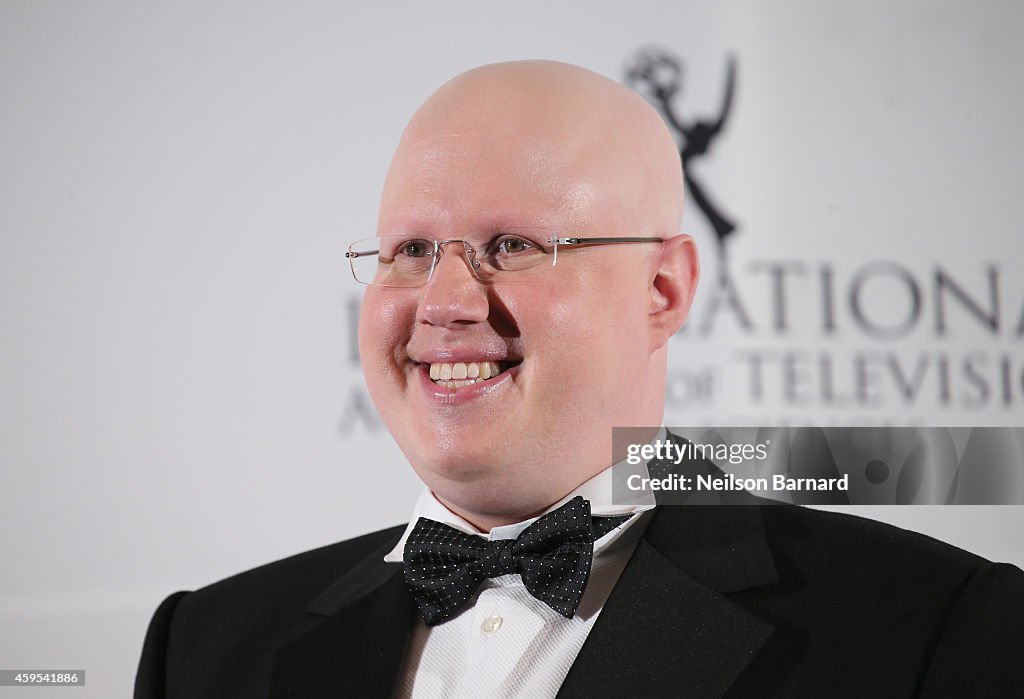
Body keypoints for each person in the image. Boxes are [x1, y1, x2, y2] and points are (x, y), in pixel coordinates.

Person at [135, 61, 1024, 698]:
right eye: (410, 250)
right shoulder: (206, 647)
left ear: (663, 289)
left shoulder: (933, 626)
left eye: (512, 246)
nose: (444, 301)